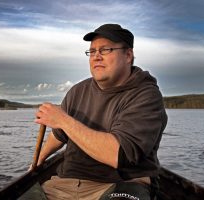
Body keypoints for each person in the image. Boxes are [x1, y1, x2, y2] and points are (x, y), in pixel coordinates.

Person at [34, 24, 167, 200]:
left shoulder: (146, 95)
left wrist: (64, 120)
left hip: (121, 184)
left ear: (128, 55)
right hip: (65, 183)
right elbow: (59, 135)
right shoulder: (77, 91)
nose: (96, 56)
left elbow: (118, 155)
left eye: (105, 50)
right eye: (92, 51)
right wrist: (37, 162)